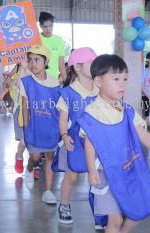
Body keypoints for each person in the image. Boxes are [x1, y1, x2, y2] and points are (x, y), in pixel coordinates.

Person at [78, 54, 150, 233]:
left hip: (129, 170)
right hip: (105, 173)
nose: (122, 83)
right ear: (98, 81)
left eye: (125, 79)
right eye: (116, 79)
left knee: (139, 211)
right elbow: (90, 142)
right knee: (114, 220)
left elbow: (143, 135)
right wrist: (91, 169)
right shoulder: (92, 112)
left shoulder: (126, 110)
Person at [54, 48, 98, 224]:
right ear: (78, 67)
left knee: (99, 177)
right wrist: (64, 135)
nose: (96, 66)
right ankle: (64, 204)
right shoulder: (69, 92)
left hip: (98, 141)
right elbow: (63, 117)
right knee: (72, 176)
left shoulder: (101, 88)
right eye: (91, 63)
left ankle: (101, 213)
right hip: (75, 141)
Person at [20, 45, 61, 204]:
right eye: (30, 60)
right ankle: (29, 169)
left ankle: (48, 191)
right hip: (34, 127)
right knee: (35, 157)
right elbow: (25, 104)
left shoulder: (55, 81)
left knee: (50, 157)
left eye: (37, 60)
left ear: (46, 62)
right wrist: (26, 126)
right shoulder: (27, 80)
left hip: (51, 127)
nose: (32, 63)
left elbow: (59, 105)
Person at [39, 11, 67, 81]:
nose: (48, 29)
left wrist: (66, 80)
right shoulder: (36, 39)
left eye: (50, 26)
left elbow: (61, 63)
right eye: (45, 27)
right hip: (38, 79)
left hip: (54, 79)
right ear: (40, 26)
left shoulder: (59, 40)